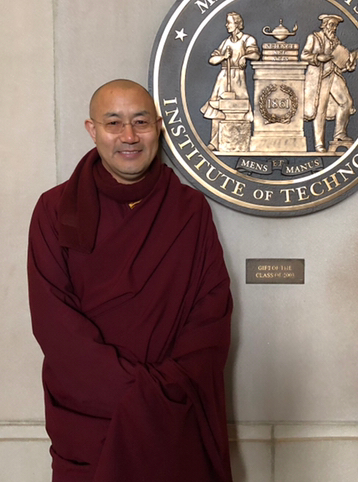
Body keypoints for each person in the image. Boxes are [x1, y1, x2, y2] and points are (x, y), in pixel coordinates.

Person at [27, 79, 233, 482]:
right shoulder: (55, 210)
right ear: (92, 130)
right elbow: (54, 323)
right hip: (91, 413)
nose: (129, 136)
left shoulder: (189, 210)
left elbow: (210, 314)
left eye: (140, 122)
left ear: (159, 127)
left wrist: (163, 391)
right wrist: (136, 392)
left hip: (172, 411)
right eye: (113, 123)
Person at [302, 14, 358, 152]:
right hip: (319, 78)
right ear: (324, 25)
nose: (334, 28)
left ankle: (339, 134)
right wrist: (318, 57)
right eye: (331, 25)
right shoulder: (314, 38)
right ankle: (319, 144)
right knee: (320, 110)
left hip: (334, 75)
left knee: (346, 102)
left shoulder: (335, 41)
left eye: (335, 26)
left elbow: (339, 60)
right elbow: (304, 55)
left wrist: (348, 64)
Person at [200, 11, 260, 150]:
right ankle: (214, 142)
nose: (226, 25)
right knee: (217, 108)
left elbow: (256, 55)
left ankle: (240, 141)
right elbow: (212, 60)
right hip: (223, 77)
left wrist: (244, 56)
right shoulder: (225, 42)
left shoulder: (247, 39)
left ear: (237, 24)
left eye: (229, 22)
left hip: (238, 78)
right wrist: (223, 57)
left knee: (239, 108)